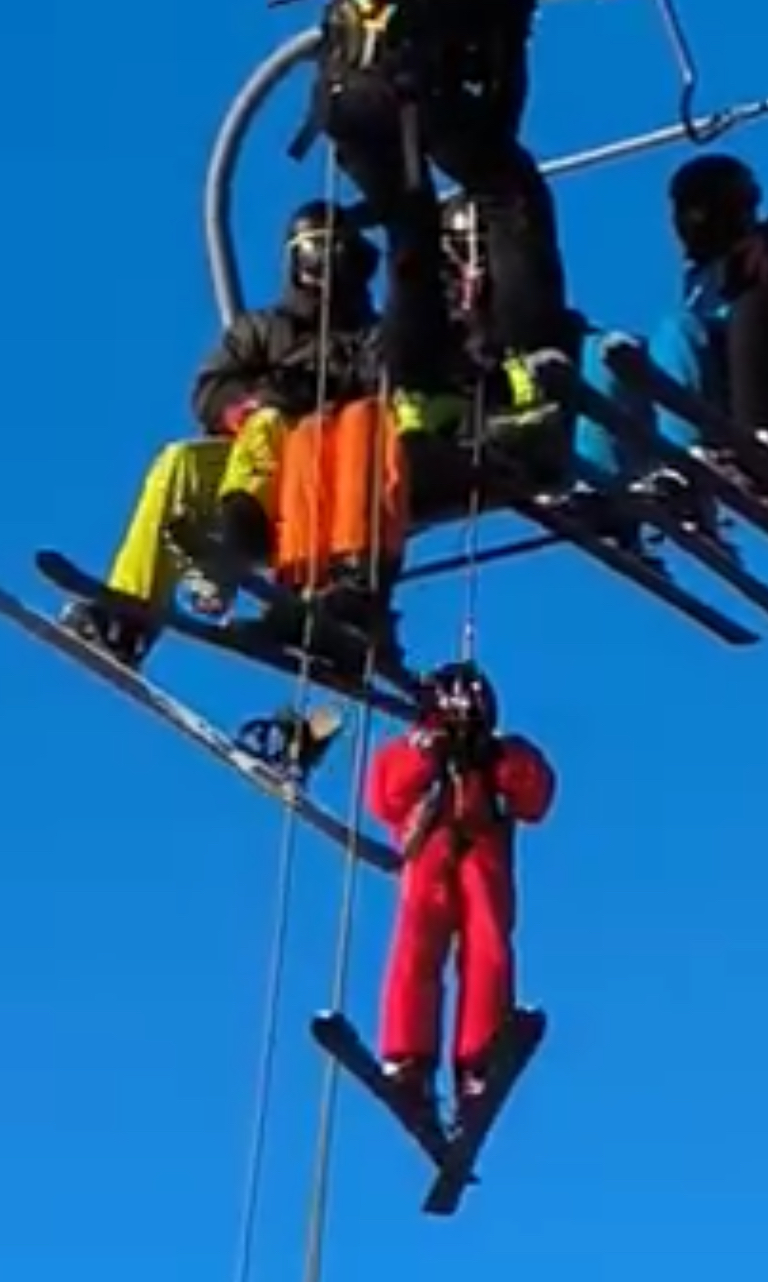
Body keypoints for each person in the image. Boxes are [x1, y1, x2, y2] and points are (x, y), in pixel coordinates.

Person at [62, 200, 409, 667]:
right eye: (307, 254)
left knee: (277, 427)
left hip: (324, 463)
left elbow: (387, 386)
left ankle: (241, 544)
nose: (318, 267)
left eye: (328, 253)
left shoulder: (368, 334)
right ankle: (127, 618)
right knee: (181, 462)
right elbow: (210, 390)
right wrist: (257, 398)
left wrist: (318, 394)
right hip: (251, 455)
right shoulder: (263, 330)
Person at [296, 0, 569, 434]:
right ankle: (529, 355)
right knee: (509, 193)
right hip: (409, 83)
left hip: (343, 93)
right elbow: (503, 87)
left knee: (411, 229)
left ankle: (417, 387)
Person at [577, 153, 768, 515]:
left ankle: (688, 464)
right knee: (602, 350)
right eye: (683, 214)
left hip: (752, 359)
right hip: (710, 358)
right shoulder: (700, 277)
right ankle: (601, 485)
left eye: (698, 212)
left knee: (676, 327)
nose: (687, 225)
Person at [366, 661, 555, 1128]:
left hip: (481, 852)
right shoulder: (412, 749)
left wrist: (498, 761)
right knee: (418, 947)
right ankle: (409, 1059)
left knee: (486, 948)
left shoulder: (502, 754)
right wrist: (425, 755)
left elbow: (538, 798)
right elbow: (384, 799)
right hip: (432, 848)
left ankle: (479, 1058)